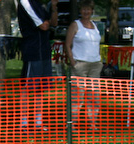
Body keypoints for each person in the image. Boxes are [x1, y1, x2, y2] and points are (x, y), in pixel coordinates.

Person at [17, 0, 58, 131]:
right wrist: (46, 23)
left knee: (40, 88)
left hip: (44, 51)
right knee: (26, 88)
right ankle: (23, 122)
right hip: (32, 52)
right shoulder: (25, 2)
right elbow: (44, 25)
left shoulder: (40, 4)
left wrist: (54, 7)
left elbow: (54, 23)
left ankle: (38, 122)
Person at [65, 0, 102, 130]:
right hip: (80, 64)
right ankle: (71, 124)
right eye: (84, 9)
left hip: (95, 65)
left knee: (94, 96)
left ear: (92, 11)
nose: (86, 12)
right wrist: (73, 62)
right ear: (80, 11)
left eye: (88, 9)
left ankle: (93, 123)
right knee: (77, 96)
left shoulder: (95, 26)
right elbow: (67, 45)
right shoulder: (75, 25)